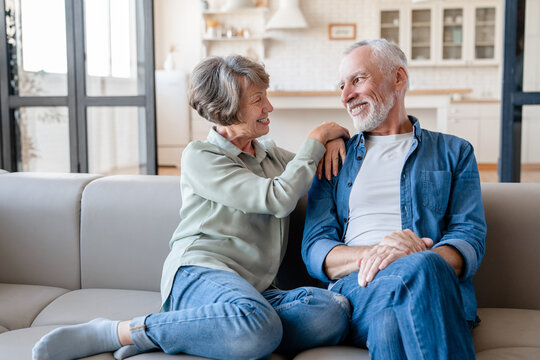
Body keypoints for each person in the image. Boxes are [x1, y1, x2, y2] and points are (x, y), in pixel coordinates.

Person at [32, 55, 351, 360]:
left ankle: (210, 329)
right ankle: (125, 331)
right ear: (227, 109)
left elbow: (312, 168)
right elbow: (277, 198)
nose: (269, 107)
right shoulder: (201, 156)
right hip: (200, 273)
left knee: (332, 313)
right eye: (257, 100)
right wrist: (319, 134)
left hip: (254, 292)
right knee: (257, 327)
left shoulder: (270, 155)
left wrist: (335, 138)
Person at [302, 39, 487, 359]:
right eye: (341, 85)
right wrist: (384, 253)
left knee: (391, 322)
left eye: (358, 80)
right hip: (359, 291)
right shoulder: (336, 158)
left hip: (432, 285)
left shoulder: (455, 152)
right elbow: (316, 248)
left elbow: (468, 237)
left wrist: (418, 260)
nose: (346, 96)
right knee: (419, 267)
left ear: (398, 78)